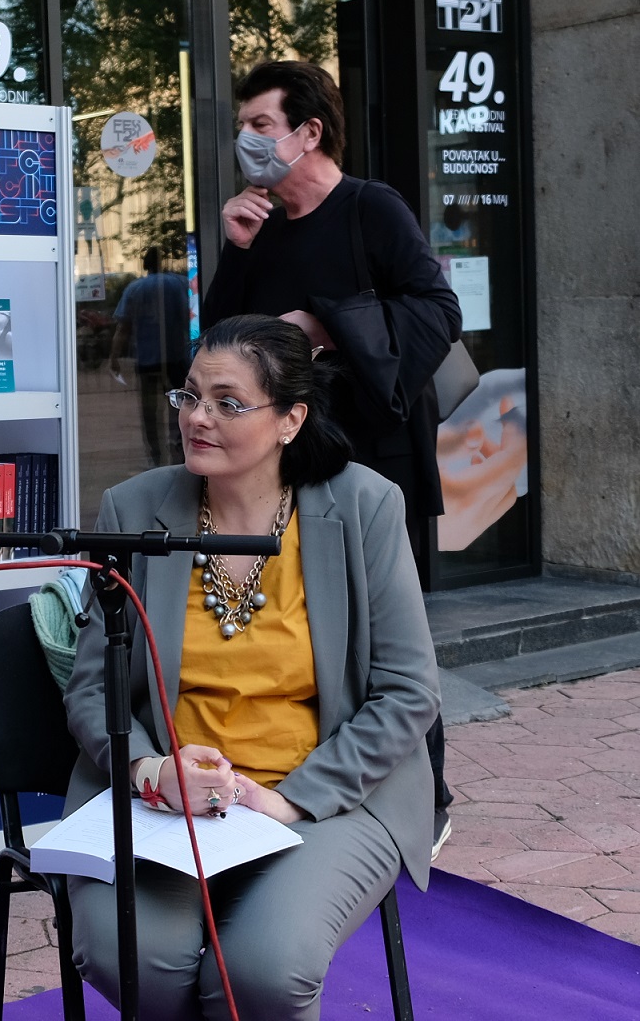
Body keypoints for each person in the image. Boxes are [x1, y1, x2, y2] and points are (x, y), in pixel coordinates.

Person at [63, 314, 440, 1020]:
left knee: (262, 970)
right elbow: (92, 686)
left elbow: (408, 691)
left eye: (227, 403)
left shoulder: (364, 506)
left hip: (325, 796)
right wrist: (150, 771)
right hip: (164, 803)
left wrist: (289, 798)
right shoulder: (134, 509)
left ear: (290, 419)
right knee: (135, 960)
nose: (196, 418)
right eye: (189, 396)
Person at [201, 59, 461, 854]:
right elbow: (219, 345)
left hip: (376, 456)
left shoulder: (368, 208)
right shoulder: (259, 228)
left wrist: (322, 325)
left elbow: (435, 308)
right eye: (242, 127)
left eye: (260, 125)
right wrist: (235, 250)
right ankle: (318, 783)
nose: (246, 140)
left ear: (308, 131)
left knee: (390, 636)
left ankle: (426, 798)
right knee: (314, 631)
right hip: (286, 465)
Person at [108, 246, 191, 467]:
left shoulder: (135, 288)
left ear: (145, 264)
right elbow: (190, 317)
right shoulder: (179, 284)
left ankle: (155, 457)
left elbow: (123, 328)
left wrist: (114, 357)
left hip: (147, 359)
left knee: (150, 412)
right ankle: (179, 450)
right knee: (179, 406)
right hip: (176, 357)